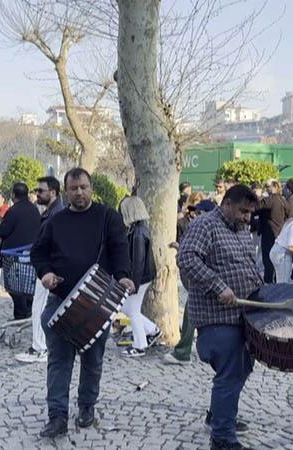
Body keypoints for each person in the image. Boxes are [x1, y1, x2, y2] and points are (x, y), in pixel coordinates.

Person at [30, 168, 134, 438]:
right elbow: (38, 253)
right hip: (61, 299)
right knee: (59, 361)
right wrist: (46, 274)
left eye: (84, 187)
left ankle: (87, 406)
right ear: (66, 190)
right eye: (74, 188)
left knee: (93, 360)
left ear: (91, 188)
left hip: (97, 303)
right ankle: (57, 416)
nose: (79, 192)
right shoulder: (55, 221)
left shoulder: (108, 217)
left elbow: (120, 248)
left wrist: (123, 276)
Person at [178, 184, 261, 450]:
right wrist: (218, 286)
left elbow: (248, 266)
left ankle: (218, 415)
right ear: (226, 204)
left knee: (243, 367)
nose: (248, 218)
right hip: (217, 319)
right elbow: (186, 258)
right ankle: (222, 439)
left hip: (243, 316)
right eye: (243, 211)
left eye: (250, 213)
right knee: (231, 371)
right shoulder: (206, 225)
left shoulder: (242, 230)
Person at [16, 176, 64, 363]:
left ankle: (39, 348)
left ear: (53, 192)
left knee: (39, 307)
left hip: (48, 269)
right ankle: (40, 346)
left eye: (41, 191)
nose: (37, 194)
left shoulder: (56, 213)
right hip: (46, 267)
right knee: (40, 306)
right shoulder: (52, 211)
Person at [164, 198, 216, 366]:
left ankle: (183, 352)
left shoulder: (210, 229)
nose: (195, 216)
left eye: (199, 213)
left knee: (191, 314)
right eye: (195, 213)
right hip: (207, 281)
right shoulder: (208, 227)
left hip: (205, 281)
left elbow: (200, 256)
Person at [119, 196, 160, 357]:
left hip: (140, 277)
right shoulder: (140, 228)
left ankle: (140, 345)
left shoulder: (137, 233)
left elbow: (138, 261)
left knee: (132, 310)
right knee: (128, 308)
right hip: (144, 276)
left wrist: (133, 284)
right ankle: (151, 330)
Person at [0, 183, 42, 318]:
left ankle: (22, 313)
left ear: (13, 195)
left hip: (14, 255)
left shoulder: (13, 211)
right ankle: (26, 309)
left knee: (15, 287)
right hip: (30, 254)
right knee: (26, 286)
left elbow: (4, 230)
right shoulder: (34, 210)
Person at [255, 180, 287, 283]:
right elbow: (288, 212)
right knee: (277, 259)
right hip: (280, 232)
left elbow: (256, 208)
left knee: (267, 258)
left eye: (267, 186)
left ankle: (268, 282)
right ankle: (276, 280)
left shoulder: (269, 200)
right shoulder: (283, 200)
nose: (266, 188)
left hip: (269, 232)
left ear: (273, 187)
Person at [270, 204, 293, 284]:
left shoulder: (291, 220)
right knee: (284, 283)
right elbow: (291, 247)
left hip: (277, 251)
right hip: (282, 255)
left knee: (282, 281)